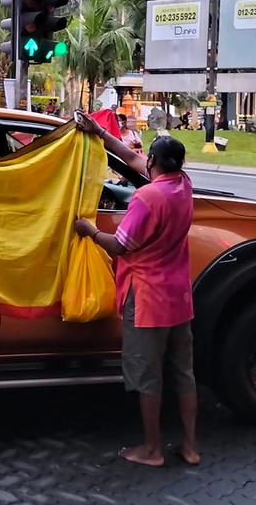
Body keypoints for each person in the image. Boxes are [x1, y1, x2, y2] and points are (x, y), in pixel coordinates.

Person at [71, 115, 198, 467]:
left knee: (148, 377)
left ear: (155, 162)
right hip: (178, 298)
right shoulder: (183, 185)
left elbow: (121, 246)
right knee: (184, 374)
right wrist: (99, 133)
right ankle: (190, 446)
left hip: (147, 299)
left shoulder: (146, 198)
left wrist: (88, 230)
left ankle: (152, 450)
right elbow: (130, 159)